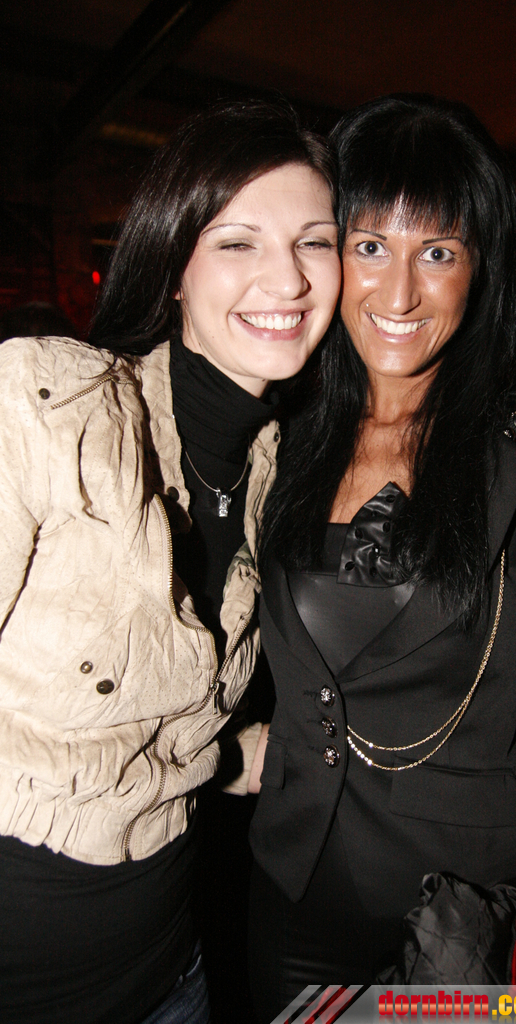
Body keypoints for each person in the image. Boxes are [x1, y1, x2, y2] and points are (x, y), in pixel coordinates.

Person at [244, 95, 516, 1020]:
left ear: (480, 267)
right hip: (290, 905)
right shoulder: (283, 434)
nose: (397, 296)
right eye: (369, 245)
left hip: (464, 925)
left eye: (437, 252)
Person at [0, 99, 340, 1024]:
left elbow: (162, 731)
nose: (287, 278)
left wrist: (264, 754)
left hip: (171, 978)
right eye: (237, 242)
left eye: (314, 242)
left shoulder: (274, 472)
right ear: (174, 267)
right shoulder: (47, 412)